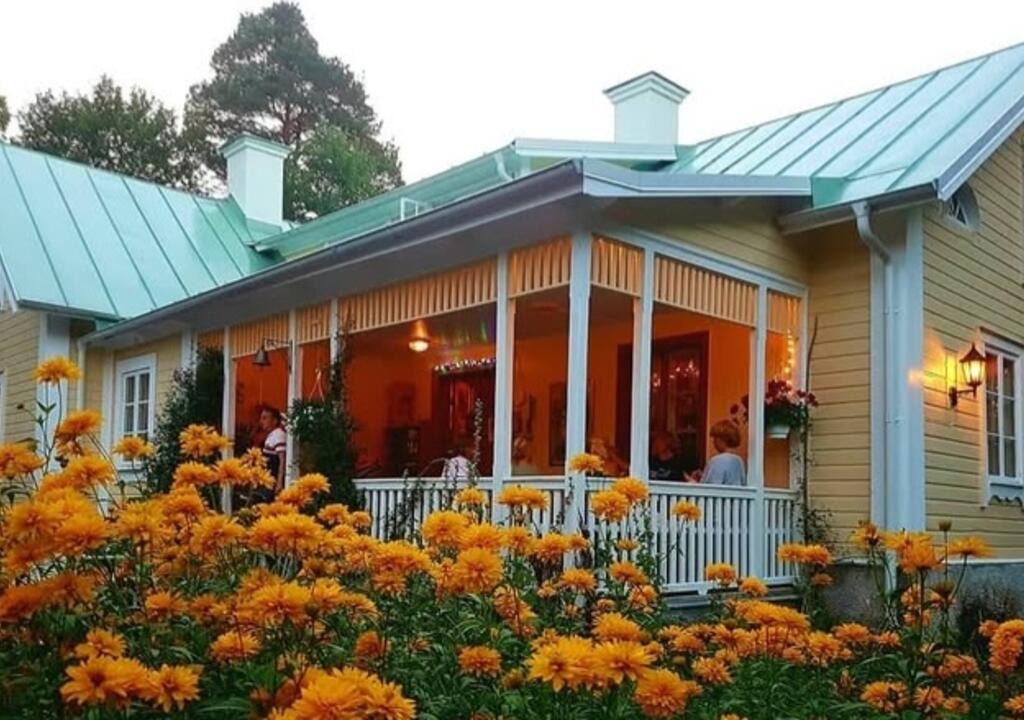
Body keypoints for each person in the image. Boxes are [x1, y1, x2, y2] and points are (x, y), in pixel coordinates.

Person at [687, 419, 746, 486]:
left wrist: (692, 482)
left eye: (715, 438)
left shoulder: (717, 461)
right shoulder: (739, 460)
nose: (713, 442)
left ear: (722, 439)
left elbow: (710, 488)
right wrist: (704, 475)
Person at [258, 406, 288, 493]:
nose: (261, 421)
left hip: (273, 481)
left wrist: (279, 482)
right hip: (268, 480)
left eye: (265, 418)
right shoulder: (271, 435)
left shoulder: (279, 435)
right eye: (261, 418)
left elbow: (282, 460)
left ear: (274, 421)